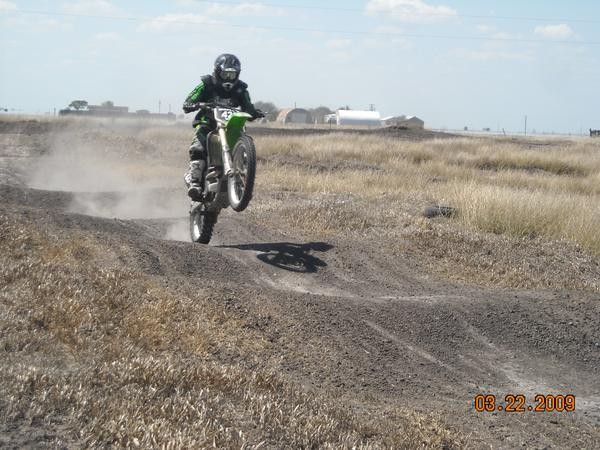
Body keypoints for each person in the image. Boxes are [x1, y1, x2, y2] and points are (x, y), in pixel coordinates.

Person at [182, 53, 263, 200]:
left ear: (237, 74)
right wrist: (194, 104)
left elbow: (248, 107)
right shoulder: (207, 84)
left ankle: (243, 180)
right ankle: (194, 180)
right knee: (198, 146)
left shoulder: (241, 89)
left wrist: (254, 112)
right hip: (208, 122)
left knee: (244, 141)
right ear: (218, 72)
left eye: (232, 75)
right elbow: (189, 100)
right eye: (226, 74)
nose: (229, 78)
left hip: (230, 125)